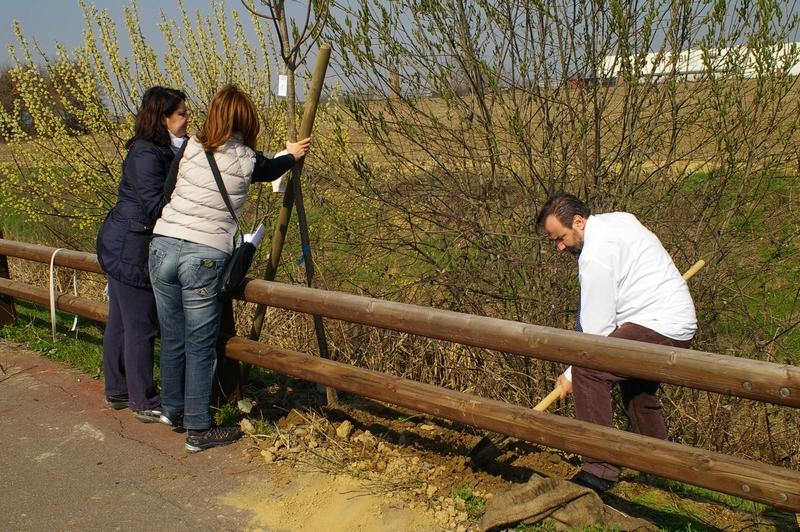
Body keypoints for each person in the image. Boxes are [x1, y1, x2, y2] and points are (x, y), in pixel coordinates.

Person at [148, 85, 311, 453]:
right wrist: (293, 153)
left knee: (172, 336)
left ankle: (171, 410)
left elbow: (168, 188)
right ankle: (199, 429)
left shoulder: (190, 146)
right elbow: (272, 167)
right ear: (247, 120)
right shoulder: (248, 159)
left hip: (162, 246)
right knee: (201, 344)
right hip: (204, 254)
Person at [535, 193, 696, 493]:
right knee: (636, 386)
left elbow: (595, 340)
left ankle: (600, 469)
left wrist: (571, 374)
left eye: (561, 238)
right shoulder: (619, 219)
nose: (559, 247)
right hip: (665, 319)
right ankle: (662, 466)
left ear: (579, 222)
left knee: (590, 371)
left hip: (662, 324)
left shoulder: (595, 255)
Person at [96, 86, 190, 422]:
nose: (188, 118)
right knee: (141, 326)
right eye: (181, 113)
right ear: (163, 118)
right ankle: (144, 400)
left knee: (122, 323)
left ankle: (119, 389)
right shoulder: (146, 155)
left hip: (124, 244)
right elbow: (156, 206)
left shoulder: (156, 150)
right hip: (130, 249)